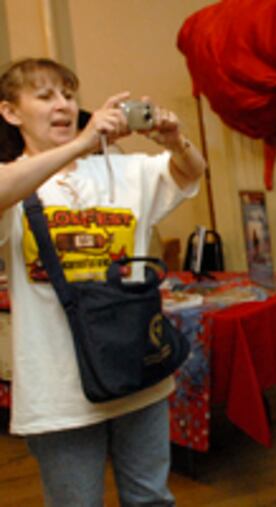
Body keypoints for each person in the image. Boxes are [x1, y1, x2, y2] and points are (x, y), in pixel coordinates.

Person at [0, 58, 205, 505]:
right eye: (44, 95)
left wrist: (175, 140)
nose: (62, 105)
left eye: (69, 95)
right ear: (11, 112)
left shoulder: (124, 171)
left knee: (151, 498)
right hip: (58, 391)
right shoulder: (15, 181)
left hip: (139, 372)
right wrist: (82, 144)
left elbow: (191, 171)